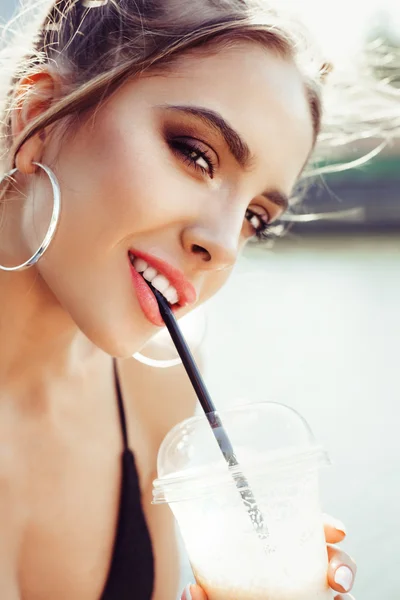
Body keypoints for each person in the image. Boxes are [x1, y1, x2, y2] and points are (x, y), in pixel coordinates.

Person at [0, 0, 357, 598]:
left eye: (255, 217)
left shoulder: (155, 390)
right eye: (196, 154)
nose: (222, 246)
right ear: (39, 117)